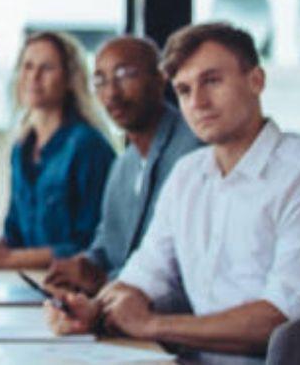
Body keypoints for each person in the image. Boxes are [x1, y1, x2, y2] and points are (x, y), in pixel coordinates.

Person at [46, 23, 300, 358]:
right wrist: (94, 310)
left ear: (256, 81)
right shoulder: (188, 173)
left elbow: (280, 319)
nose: (199, 102)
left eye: (212, 81)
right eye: (184, 90)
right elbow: (144, 273)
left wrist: (152, 326)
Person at [44, 36, 202, 295]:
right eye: (100, 80)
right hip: (117, 306)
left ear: (160, 78)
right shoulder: (123, 164)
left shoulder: (193, 152)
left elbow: (177, 264)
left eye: (125, 74)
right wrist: (82, 266)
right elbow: (105, 244)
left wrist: (103, 282)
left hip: (163, 315)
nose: (111, 93)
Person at [0, 31, 115, 268]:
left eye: (46, 68)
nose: (34, 77)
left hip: (71, 289)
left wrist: (7, 259)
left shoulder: (89, 146)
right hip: (27, 282)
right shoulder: (21, 148)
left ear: (69, 79)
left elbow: (91, 246)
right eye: (27, 66)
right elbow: (14, 238)